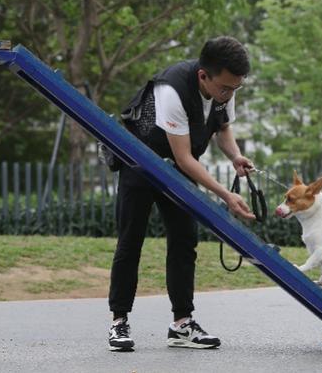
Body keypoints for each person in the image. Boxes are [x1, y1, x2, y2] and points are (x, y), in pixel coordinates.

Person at [107, 36, 256, 351]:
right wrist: (224, 196)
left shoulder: (225, 86)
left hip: (176, 167)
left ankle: (182, 324)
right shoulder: (171, 89)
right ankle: (119, 322)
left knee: (184, 239)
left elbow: (223, 126)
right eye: (226, 88)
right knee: (130, 241)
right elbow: (185, 157)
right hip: (140, 161)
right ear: (204, 75)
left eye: (235, 88)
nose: (229, 94)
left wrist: (235, 157)